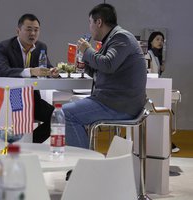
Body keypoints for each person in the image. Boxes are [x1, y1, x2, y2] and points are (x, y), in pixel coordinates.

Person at [62, 3, 147, 149]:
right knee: (69, 110)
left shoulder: (121, 37)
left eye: (90, 22)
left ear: (99, 22)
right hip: (114, 101)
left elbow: (108, 64)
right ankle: (85, 162)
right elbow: (100, 70)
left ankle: (85, 165)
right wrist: (84, 63)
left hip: (119, 104)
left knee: (65, 114)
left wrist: (87, 50)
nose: (90, 27)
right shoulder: (111, 39)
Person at [0, 13, 58, 143]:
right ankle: (21, 145)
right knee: (16, 124)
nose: (33, 34)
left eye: (36, 30)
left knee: (59, 117)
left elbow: (46, 66)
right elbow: (2, 71)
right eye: (29, 29)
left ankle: (30, 143)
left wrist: (52, 71)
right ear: (18, 31)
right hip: (10, 99)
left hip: (32, 99)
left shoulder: (41, 47)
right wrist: (30, 71)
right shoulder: (4, 47)